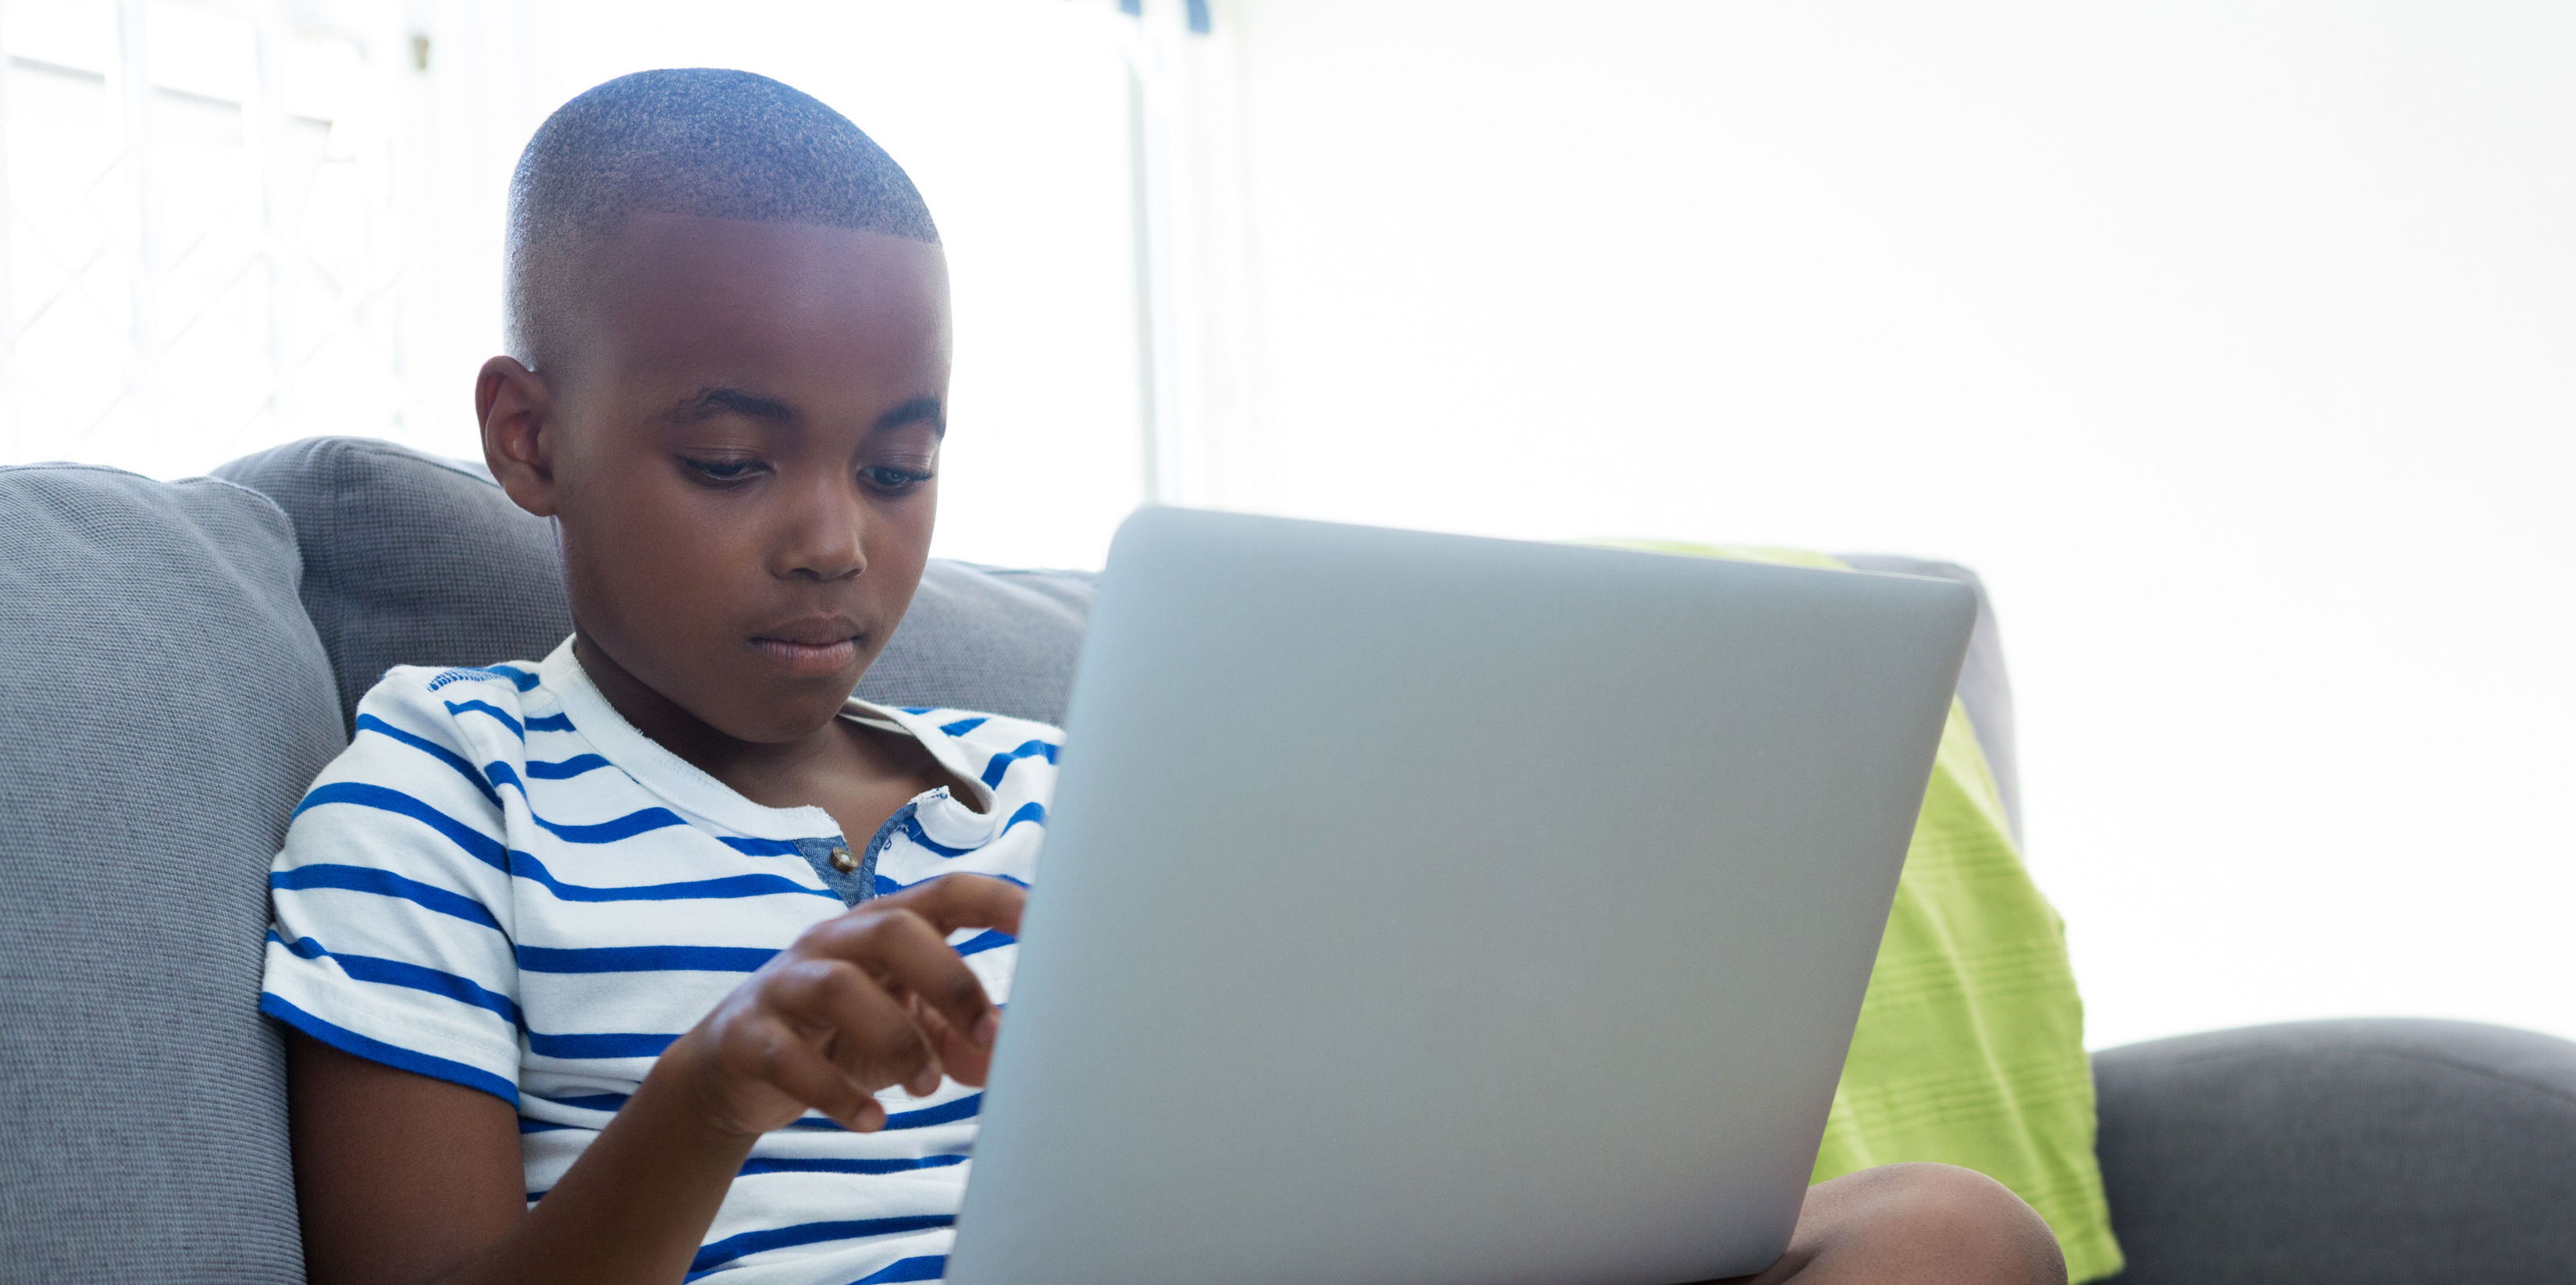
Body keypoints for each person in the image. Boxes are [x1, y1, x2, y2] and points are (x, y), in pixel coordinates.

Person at [262, 68, 2067, 1285]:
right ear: (531, 433)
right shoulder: (445, 788)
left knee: (1946, 1230)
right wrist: (712, 1096)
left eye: (898, 467)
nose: (832, 538)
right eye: (735, 462)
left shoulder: (1071, 780)